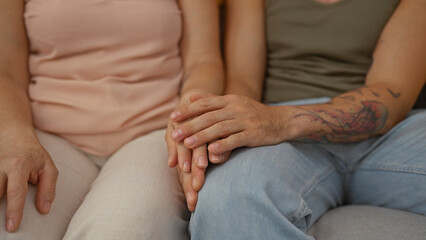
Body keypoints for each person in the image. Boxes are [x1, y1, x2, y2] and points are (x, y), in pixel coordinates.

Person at [168, 0, 426, 239]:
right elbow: (243, 83)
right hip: (278, 136)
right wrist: (216, 132)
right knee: (229, 195)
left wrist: (277, 121)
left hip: (387, 133)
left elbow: (389, 96)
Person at [0, 0, 223, 239]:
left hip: (153, 137)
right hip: (44, 138)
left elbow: (203, 61)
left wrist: (188, 117)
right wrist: (16, 138)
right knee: (12, 227)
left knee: (126, 229)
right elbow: (6, 70)